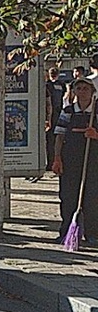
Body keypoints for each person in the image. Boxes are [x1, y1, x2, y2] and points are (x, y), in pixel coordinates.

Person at [53, 79, 98, 242]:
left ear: (92, 91)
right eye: (79, 88)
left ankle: (93, 234)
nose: (82, 91)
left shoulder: (96, 111)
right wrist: (57, 158)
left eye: (86, 88)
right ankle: (67, 232)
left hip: (93, 161)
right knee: (68, 197)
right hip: (70, 160)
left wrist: (95, 135)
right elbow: (59, 136)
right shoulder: (68, 111)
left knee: (92, 197)